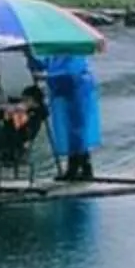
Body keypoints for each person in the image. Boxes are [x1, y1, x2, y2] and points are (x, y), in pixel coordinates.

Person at [39, 51, 102, 182]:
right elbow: (45, 64)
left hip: (77, 89)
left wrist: (49, 75)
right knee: (71, 130)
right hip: (67, 91)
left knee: (77, 129)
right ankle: (81, 167)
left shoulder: (72, 50)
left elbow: (69, 69)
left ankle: (80, 168)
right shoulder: (56, 51)